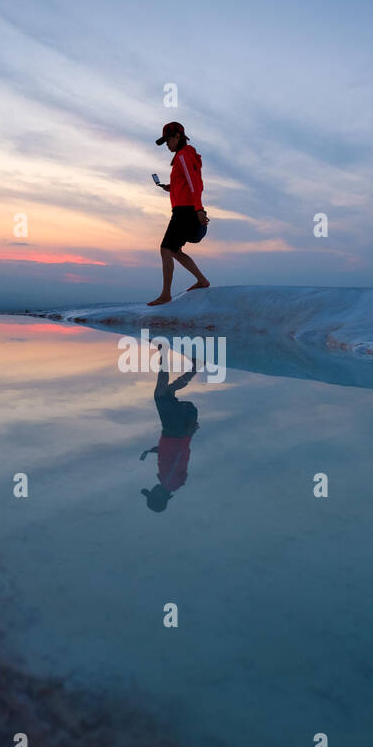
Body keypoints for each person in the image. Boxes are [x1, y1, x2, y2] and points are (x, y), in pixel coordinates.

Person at [148, 121, 210, 306]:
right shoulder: (183, 157)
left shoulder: (183, 156)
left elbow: (195, 184)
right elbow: (187, 183)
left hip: (186, 212)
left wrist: (198, 209)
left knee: (166, 249)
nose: (167, 144)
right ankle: (202, 281)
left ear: (177, 136)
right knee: (174, 250)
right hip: (185, 210)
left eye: (168, 139)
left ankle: (165, 295)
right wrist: (171, 187)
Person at [139, 348, 200, 512]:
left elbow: (171, 457)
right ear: (159, 497)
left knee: (167, 392)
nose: (152, 490)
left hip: (174, 433)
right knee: (160, 394)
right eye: (153, 494)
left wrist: (157, 450)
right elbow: (181, 455)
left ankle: (195, 367)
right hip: (174, 431)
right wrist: (189, 433)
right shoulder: (169, 482)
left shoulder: (169, 483)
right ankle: (164, 354)